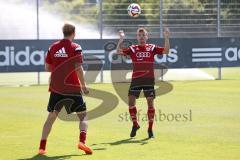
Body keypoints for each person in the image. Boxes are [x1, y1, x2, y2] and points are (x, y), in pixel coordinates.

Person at [38, 23, 92, 155]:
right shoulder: (76, 47)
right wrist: (84, 86)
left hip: (56, 88)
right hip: (72, 88)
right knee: (83, 116)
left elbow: (47, 68)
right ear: (74, 33)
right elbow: (79, 68)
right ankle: (82, 142)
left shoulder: (53, 47)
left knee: (51, 118)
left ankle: (42, 148)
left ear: (63, 32)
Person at [116, 27, 170, 138]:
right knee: (131, 103)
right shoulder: (133, 48)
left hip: (148, 79)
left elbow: (166, 51)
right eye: (139, 35)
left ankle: (150, 130)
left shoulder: (152, 47)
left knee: (150, 103)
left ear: (147, 37)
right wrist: (121, 39)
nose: (141, 37)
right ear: (137, 37)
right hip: (136, 79)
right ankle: (135, 125)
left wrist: (166, 37)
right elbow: (118, 52)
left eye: (143, 35)